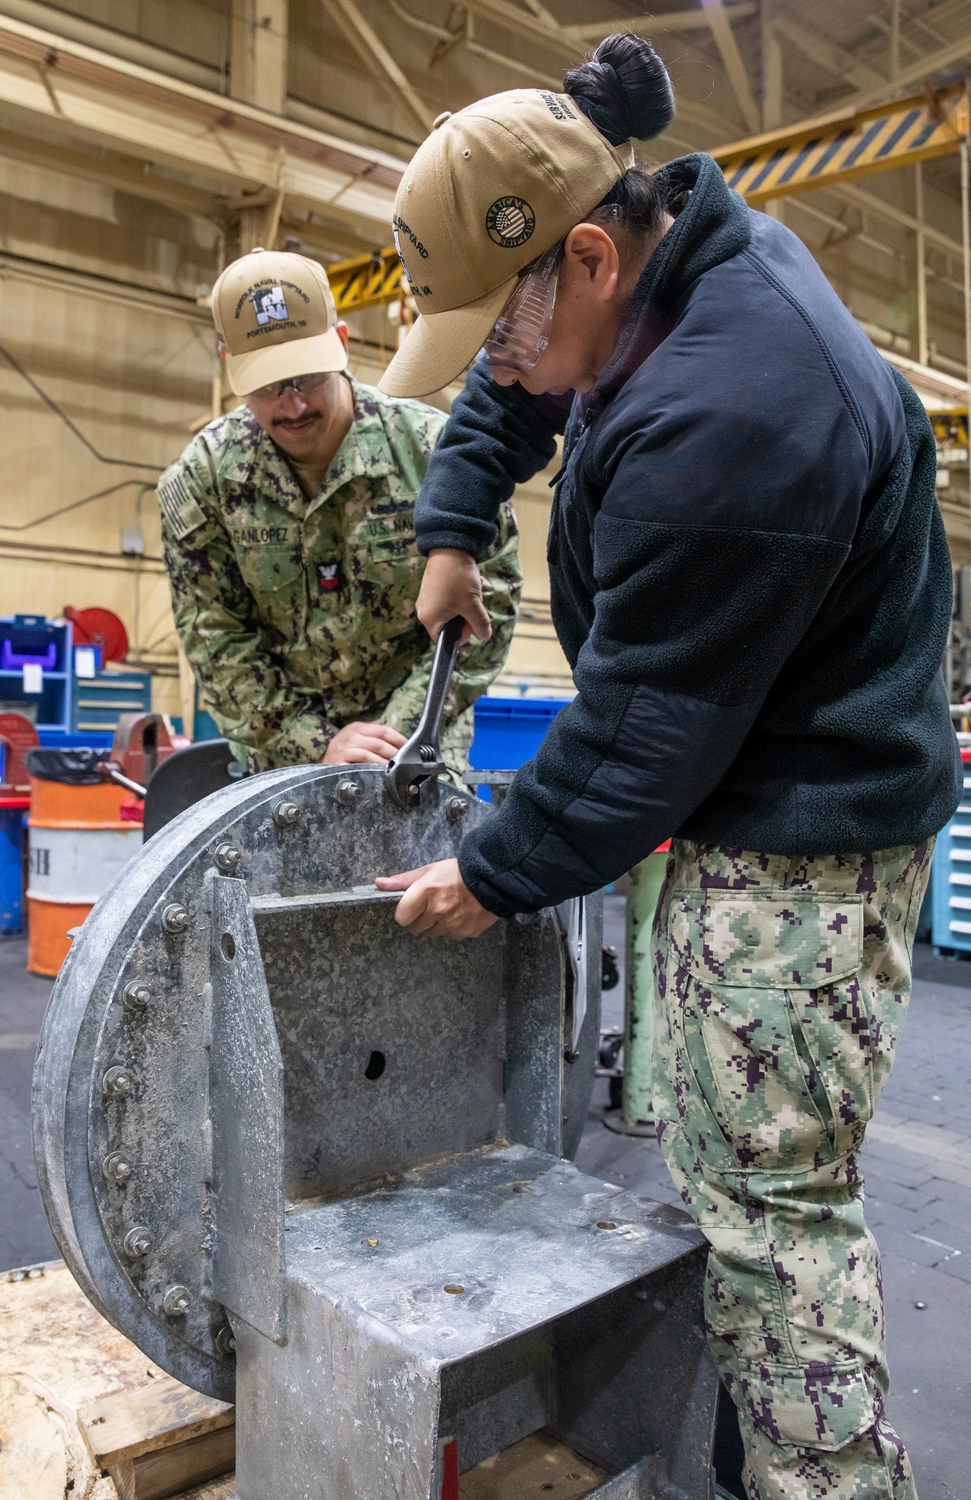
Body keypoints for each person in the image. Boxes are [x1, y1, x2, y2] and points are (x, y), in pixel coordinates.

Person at [375, 35, 961, 1500]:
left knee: (767, 1199)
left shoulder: (737, 409)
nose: (493, 371)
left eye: (494, 330)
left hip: (804, 846)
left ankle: (828, 1481)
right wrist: (455, 525)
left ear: (585, 254)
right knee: (728, 1164)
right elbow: (521, 380)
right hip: (752, 787)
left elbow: (644, 726)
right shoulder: (641, 271)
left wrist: (493, 874)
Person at [157, 248, 520, 773]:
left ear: (342, 344)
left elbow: (493, 600)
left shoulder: (437, 453)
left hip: (417, 745)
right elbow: (216, 639)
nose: (293, 405)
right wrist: (314, 744)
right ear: (228, 366)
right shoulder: (203, 481)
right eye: (267, 386)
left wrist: (396, 735)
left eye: (306, 377)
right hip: (283, 763)